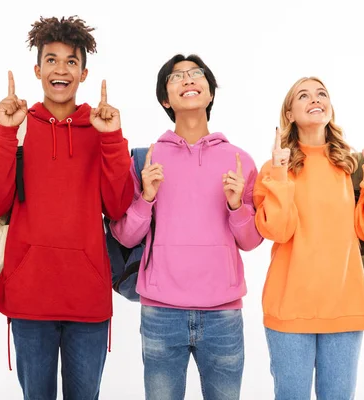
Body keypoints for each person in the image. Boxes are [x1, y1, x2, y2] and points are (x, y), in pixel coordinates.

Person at [0, 16, 134, 399]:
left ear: (83, 72)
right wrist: (5, 132)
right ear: (37, 69)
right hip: (30, 297)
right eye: (51, 60)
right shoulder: (19, 126)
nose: (60, 69)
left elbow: (118, 205)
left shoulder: (100, 129)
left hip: (88, 298)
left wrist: (112, 140)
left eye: (70, 61)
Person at [110, 54, 263, 400]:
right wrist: (146, 197)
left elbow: (251, 241)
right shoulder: (146, 159)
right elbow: (125, 235)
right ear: (166, 99)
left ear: (209, 93)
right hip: (161, 312)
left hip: (223, 312)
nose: (188, 79)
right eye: (176, 77)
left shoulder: (240, 160)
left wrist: (237, 205)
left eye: (197, 75)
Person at [253, 76, 364, 399]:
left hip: (344, 304)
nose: (315, 99)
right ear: (289, 113)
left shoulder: (351, 164)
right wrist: (279, 174)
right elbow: (277, 230)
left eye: (321, 94)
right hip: (289, 305)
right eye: (303, 96)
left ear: (330, 108)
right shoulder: (274, 166)